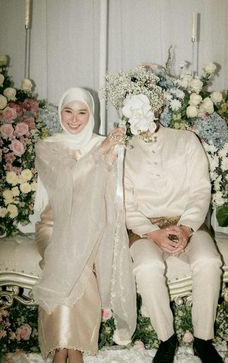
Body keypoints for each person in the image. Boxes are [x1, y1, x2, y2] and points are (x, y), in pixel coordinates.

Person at [32, 87, 136, 363]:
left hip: (93, 225)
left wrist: (112, 159)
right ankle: (69, 346)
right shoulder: (47, 146)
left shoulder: (102, 143)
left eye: (82, 112)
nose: (74, 119)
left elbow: (111, 193)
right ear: (60, 112)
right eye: (68, 111)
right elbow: (67, 183)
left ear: (92, 114)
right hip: (54, 226)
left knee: (76, 258)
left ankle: (67, 347)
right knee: (67, 256)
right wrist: (101, 153)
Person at [124, 120, 223, 363]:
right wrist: (153, 232)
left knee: (209, 260)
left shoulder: (185, 140)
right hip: (145, 229)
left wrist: (187, 228)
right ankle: (167, 338)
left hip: (188, 223)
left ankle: (203, 340)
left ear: (158, 105)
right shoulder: (125, 148)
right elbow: (124, 203)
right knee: (147, 267)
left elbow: (201, 190)